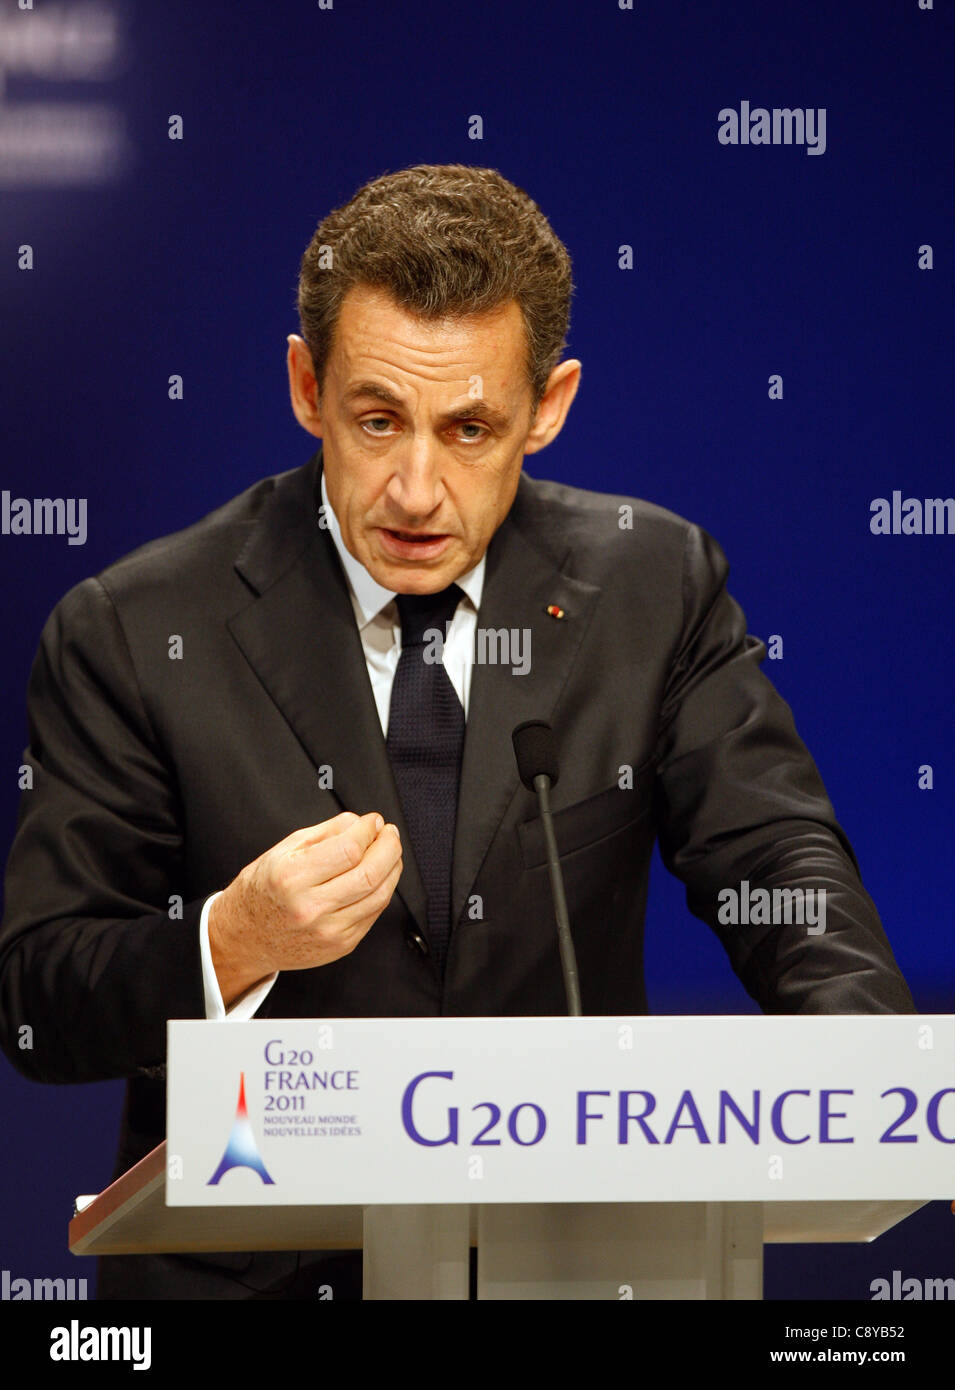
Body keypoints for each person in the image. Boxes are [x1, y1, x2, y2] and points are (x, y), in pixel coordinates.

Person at [0, 163, 915, 1300]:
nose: (416, 488)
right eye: (376, 420)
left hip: (568, 1270)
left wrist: (875, 1078)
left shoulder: (652, 585)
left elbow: (775, 861)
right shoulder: (134, 629)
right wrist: (231, 938)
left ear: (550, 405)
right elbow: (40, 999)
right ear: (304, 383)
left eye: (470, 426)